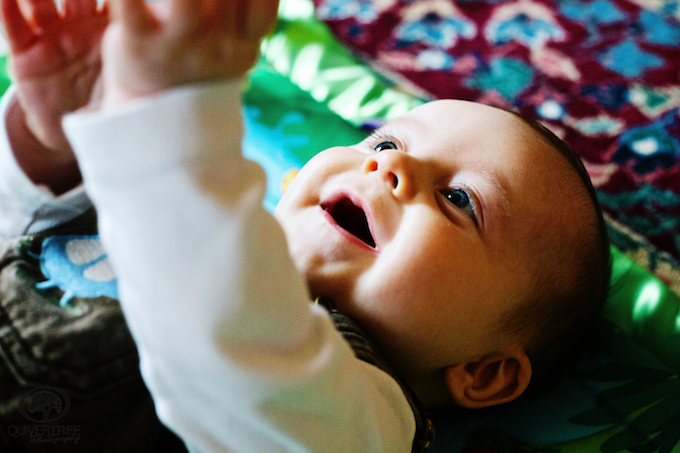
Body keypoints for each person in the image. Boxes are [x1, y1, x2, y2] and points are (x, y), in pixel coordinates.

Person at [0, 0, 611, 451]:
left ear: (483, 372)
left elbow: (233, 345)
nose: (390, 164)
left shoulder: (362, 415)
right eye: (388, 138)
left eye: (459, 198)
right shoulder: (134, 208)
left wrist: (168, 123)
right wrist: (50, 145)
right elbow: (19, 238)